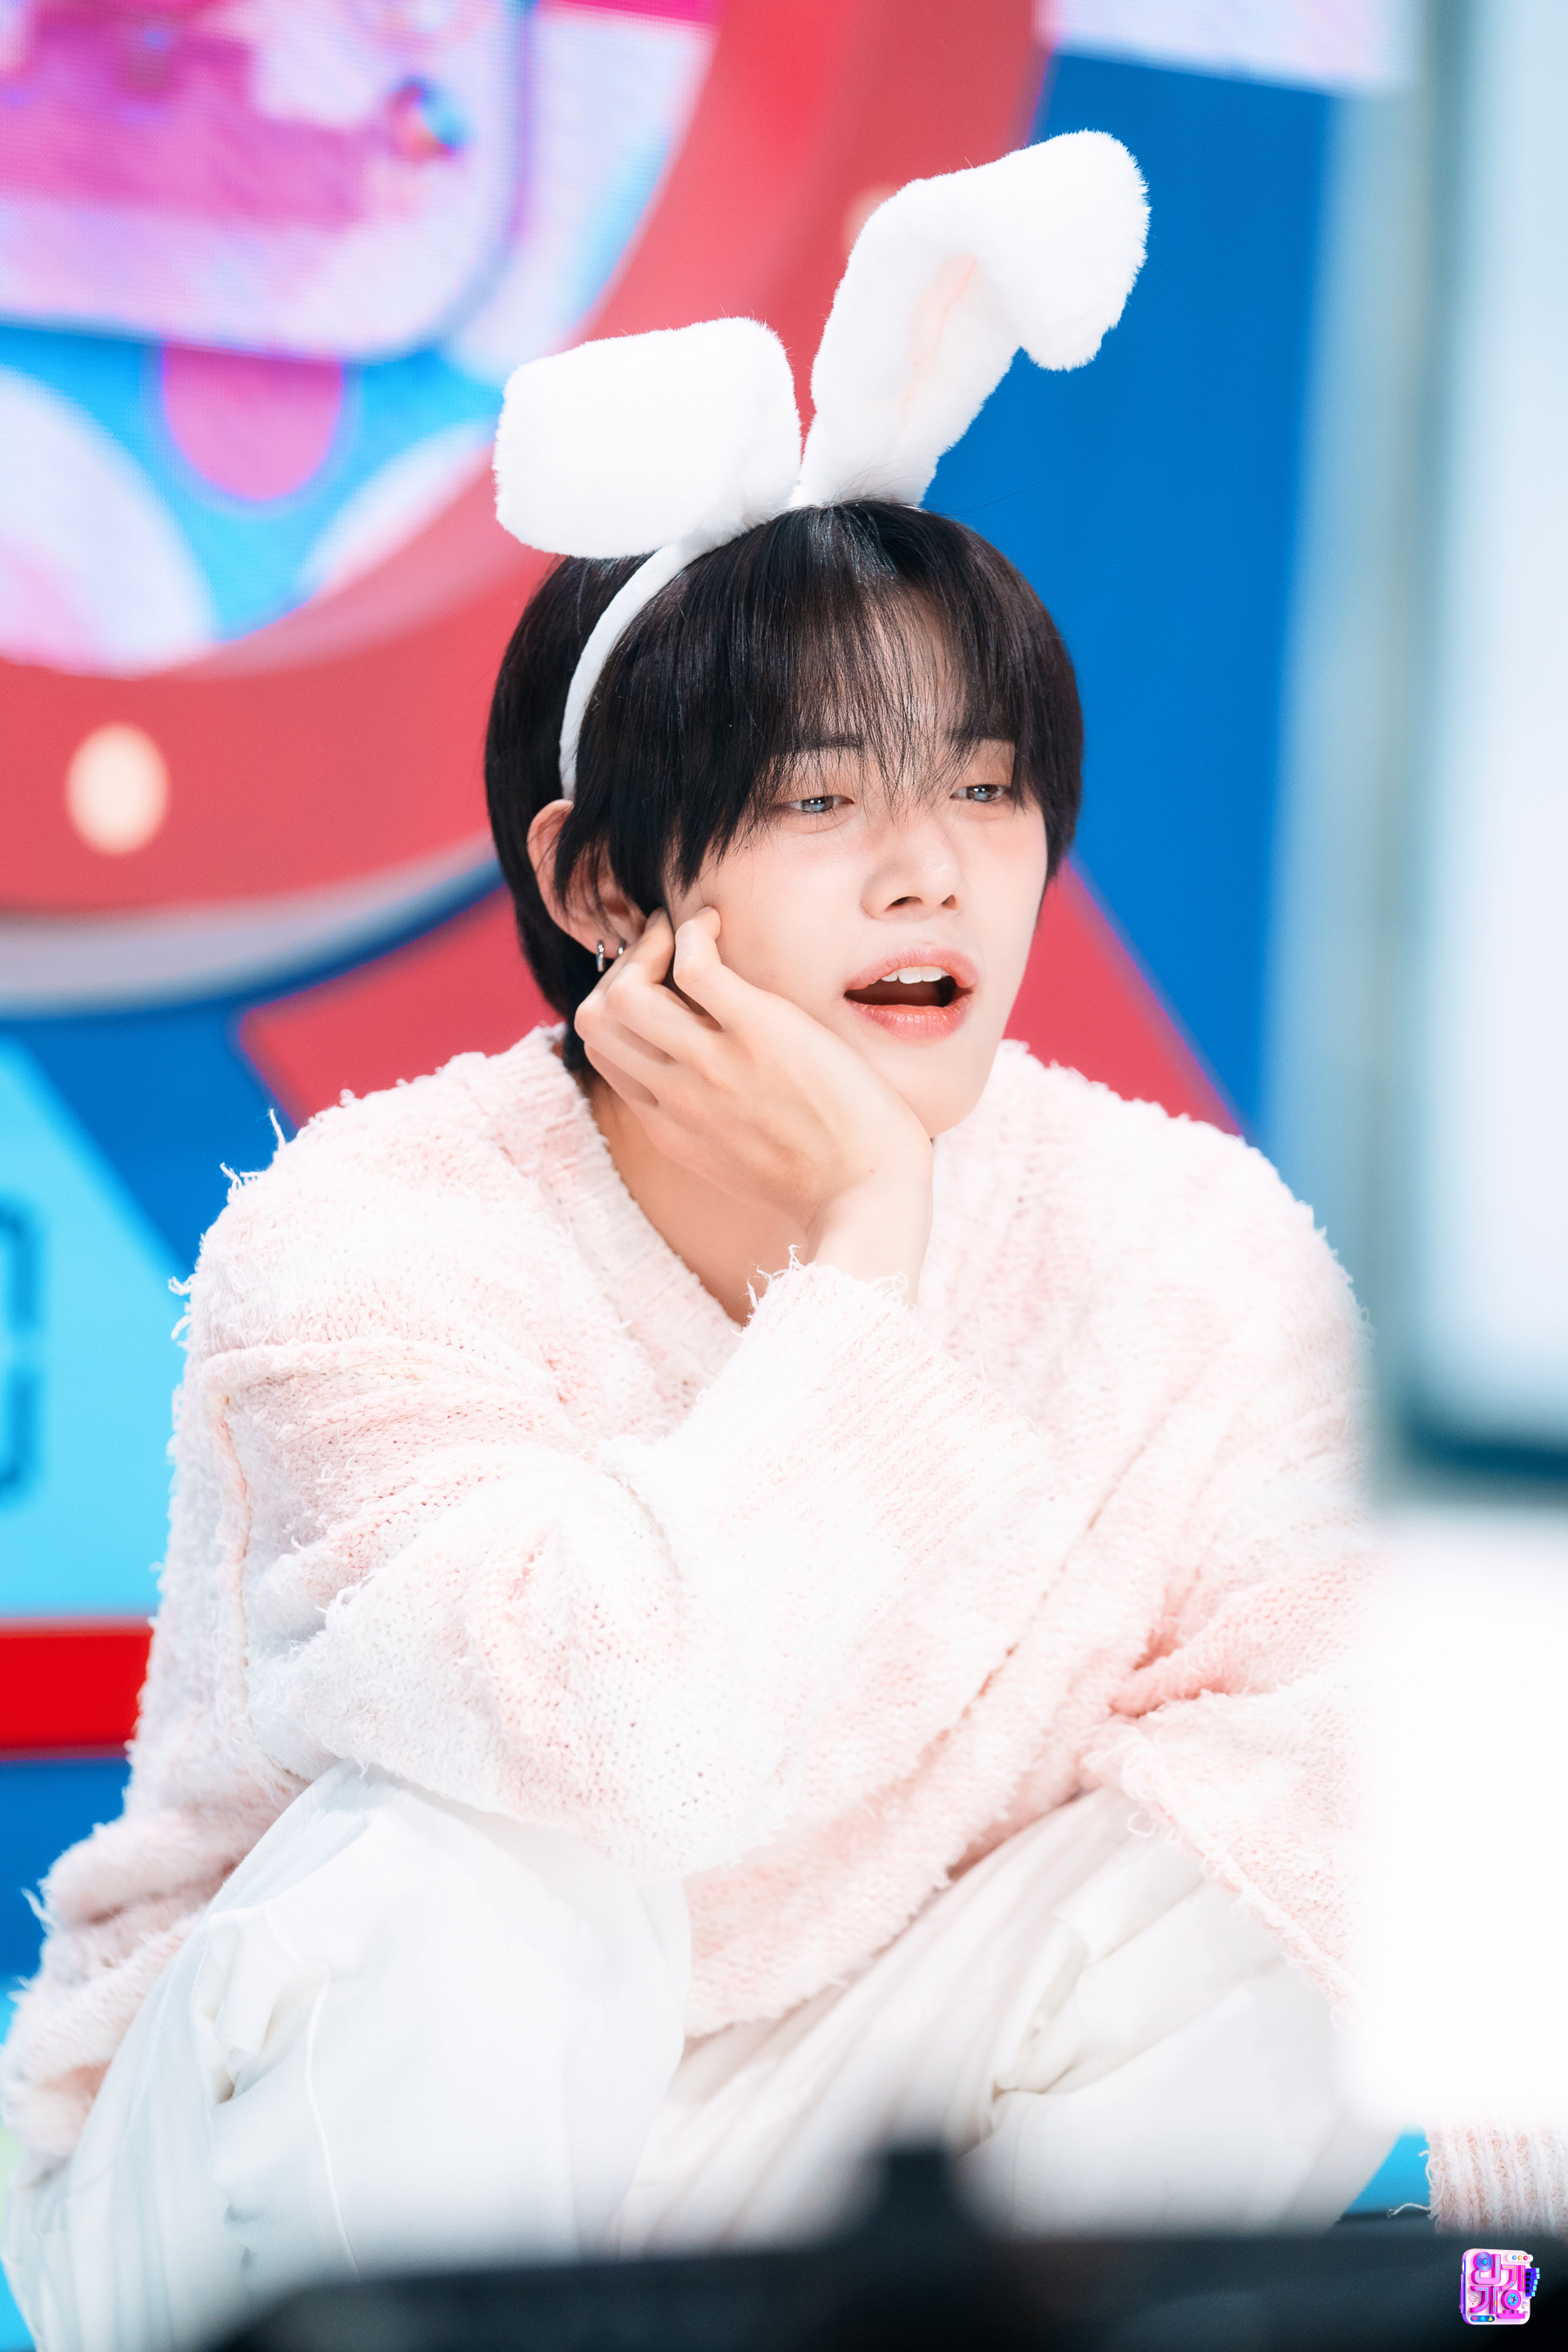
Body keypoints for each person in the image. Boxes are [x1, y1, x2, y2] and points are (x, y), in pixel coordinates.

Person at [1, 138, 1426, 2352]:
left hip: (816, 2155)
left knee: (1321, 1842)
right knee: (486, 1856)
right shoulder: (367, 1239)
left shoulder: (1182, 1242)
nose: (932, 874)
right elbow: (611, 1745)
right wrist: (862, 1254)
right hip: (297, 2180)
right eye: (823, 800)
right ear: (600, 886)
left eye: (982, 788)